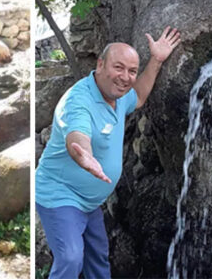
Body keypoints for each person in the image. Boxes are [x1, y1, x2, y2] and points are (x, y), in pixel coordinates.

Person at [35, 26, 183, 279]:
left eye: (132, 71)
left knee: (98, 257)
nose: (125, 77)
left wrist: (157, 60)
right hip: (62, 195)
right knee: (71, 257)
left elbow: (138, 96)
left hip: (90, 201)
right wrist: (85, 157)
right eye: (118, 67)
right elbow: (78, 135)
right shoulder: (79, 102)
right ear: (100, 64)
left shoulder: (118, 94)